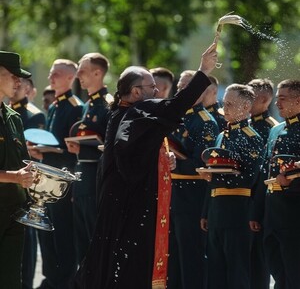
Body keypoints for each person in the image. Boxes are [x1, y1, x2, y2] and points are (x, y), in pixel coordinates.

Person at [74, 41, 218, 289]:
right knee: (130, 266)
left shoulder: (123, 113)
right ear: (136, 92)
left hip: (117, 201)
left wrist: (161, 160)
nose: (158, 92)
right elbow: (176, 106)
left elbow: (138, 149)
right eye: (152, 87)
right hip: (131, 202)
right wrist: (203, 70)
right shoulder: (138, 111)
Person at [200, 84, 264, 289]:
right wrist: (206, 211)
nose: (224, 108)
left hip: (238, 210)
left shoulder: (252, 137)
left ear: (246, 107)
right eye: (224, 103)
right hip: (217, 209)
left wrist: (219, 177)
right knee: (215, 271)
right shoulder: (221, 135)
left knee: (238, 271)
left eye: (230, 104)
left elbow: (249, 178)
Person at [29, 59, 83, 289]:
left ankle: (64, 282)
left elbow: (73, 153)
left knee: (63, 238)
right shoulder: (54, 107)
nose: (51, 78)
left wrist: (47, 154)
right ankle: (51, 280)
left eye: (56, 74)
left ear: (71, 77)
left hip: (62, 182)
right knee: (47, 236)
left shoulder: (76, 107)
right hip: (47, 181)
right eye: (51, 73)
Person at [167, 70, 219, 289]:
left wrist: (175, 161)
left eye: (187, 87)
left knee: (191, 255)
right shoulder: (174, 116)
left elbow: (202, 163)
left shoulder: (205, 122)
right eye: (180, 86)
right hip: (171, 192)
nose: (180, 90)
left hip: (192, 195)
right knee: (171, 253)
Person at [250, 79, 300, 289]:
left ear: (298, 101)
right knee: (277, 271)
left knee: (295, 273)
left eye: (282, 99)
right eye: (277, 99)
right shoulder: (275, 131)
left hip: (294, 213)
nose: (277, 104)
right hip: (272, 213)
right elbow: (265, 171)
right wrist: (256, 211)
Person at [65, 52, 112, 265]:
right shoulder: (87, 105)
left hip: (96, 180)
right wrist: (78, 148)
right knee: (80, 244)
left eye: (82, 71)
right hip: (82, 178)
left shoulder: (109, 104)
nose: (78, 76)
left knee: (96, 242)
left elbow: (110, 147)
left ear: (97, 72)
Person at [0, 51, 34, 289]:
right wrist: (13, 177)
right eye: (14, 76)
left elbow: (23, 162)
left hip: (14, 212)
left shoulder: (13, 118)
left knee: (12, 280)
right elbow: (14, 173)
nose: (18, 82)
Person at [9, 77, 46, 289]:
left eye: (20, 83)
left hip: (25, 185)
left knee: (25, 246)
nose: (15, 88)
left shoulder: (33, 114)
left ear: (28, 88)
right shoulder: (7, 111)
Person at [247, 78, 278, 289]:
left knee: (259, 260)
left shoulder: (271, 129)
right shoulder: (245, 125)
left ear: (265, 100)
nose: (245, 102)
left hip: (261, 202)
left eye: (251, 97)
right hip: (241, 200)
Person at [248, 78, 279, 145]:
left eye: (251, 97)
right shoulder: (246, 124)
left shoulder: (274, 128)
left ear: (264, 100)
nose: (246, 101)